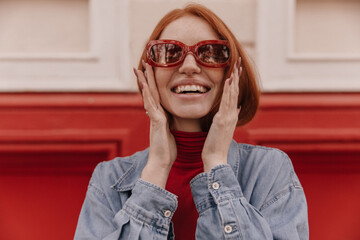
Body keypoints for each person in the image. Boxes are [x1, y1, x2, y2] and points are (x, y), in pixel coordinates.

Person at [74, 3, 309, 240]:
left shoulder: (269, 171)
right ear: (149, 73)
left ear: (231, 72)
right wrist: (155, 171)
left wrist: (217, 165)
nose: (189, 66)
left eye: (210, 53)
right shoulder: (109, 180)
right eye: (169, 53)